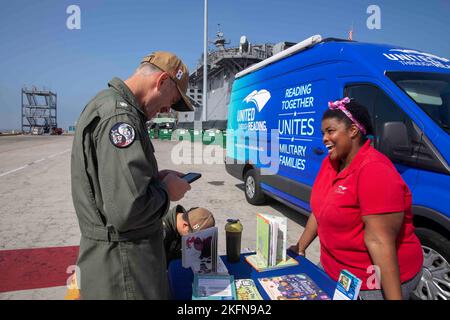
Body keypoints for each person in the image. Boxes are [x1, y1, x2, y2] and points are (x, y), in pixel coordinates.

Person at [71, 51, 194, 299]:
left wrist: (155, 179)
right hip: (126, 274)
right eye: (171, 100)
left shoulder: (111, 106)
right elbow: (128, 211)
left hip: (120, 267)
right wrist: (167, 191)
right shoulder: (120, 118)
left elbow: (114, 187)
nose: (168, 109)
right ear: (161, 82)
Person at [289, 97, 423, 300]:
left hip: (371, 283)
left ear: (353, 131)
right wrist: (300, 247)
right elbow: (320, 211)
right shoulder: (330, 163)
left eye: (330, 131)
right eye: (323, 133)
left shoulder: (374, 170)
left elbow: (379, 241)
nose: (324, 138)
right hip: (334, 268)